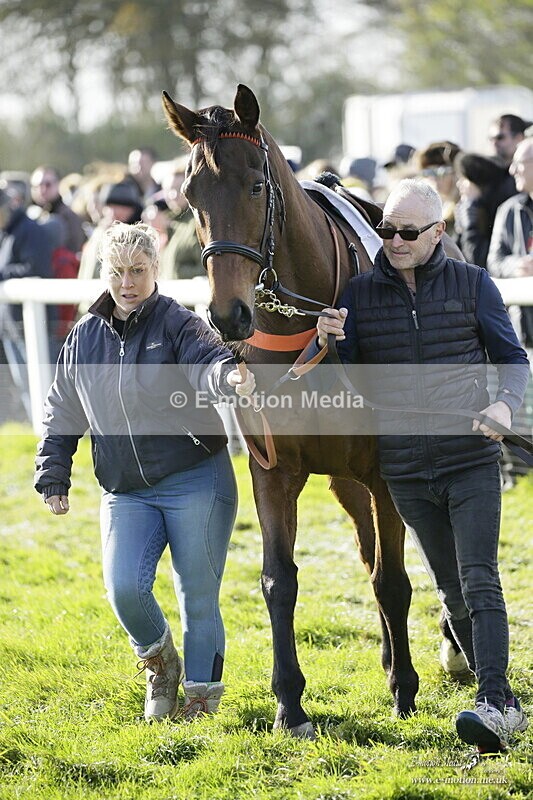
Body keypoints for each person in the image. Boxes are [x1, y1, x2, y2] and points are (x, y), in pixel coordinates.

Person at [316, 179, 530, 752]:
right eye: (387, 230)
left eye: (408, 232)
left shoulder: (474, 284)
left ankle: (496, 701)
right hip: (406, 469)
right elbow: (355, 385)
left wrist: (506, 403)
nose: (395, 240)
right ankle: (499, 697)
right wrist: (334, 344)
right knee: (449, 589)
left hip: (470, 458)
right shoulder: (359, 294)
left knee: (478, 575)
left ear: (437, 232)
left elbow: (513, 360)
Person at [34, 221, 255, 722]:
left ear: (155, 268)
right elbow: (63, 409)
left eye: (138, 270)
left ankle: (200, 702)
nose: (128, 282)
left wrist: (226, 376)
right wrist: (54, 472)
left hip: (196, 479)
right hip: (125, 491)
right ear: (103, 272)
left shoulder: (179, 323)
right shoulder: (84, 337)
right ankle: (162, 666)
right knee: (124, 590)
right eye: (117, 272)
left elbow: (209, 360)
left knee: (196, 595)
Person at [0, 183, 54, 419]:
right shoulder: (7, 231)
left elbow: (35, 268)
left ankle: (50, 433)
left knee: (42, 386)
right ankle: (38, 433)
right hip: (11, 325)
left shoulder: (29, 230)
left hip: (31, 324)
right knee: (25, 386)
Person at [487, 136, 533, 353]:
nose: (512, 170)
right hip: (523, 336)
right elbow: (494, 262)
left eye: (520, 163)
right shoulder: (508, 210)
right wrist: (517, 266)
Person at [454, 152, 510, 268]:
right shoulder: (467, 209)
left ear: (480, 183)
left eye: (465, 179)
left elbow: (478, 261)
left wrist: (471, 224)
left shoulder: (501, 213)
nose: (459, 184)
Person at [29, 165, 86, 256]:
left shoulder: (68, 216)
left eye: (48, 184)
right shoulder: (30, 215)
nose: (42, 190)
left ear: (58, 184)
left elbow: (73, 252)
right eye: (36, 186)